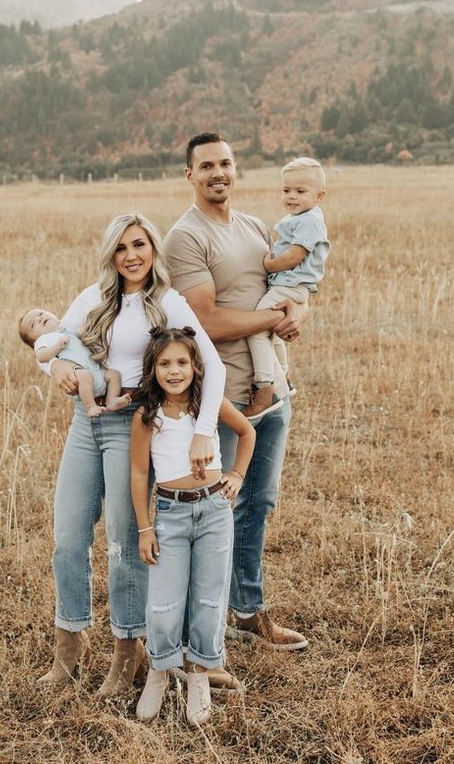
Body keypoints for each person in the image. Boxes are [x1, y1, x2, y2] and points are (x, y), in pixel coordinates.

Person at [33, 213, 226, 695]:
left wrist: (205, 430)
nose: (131, 255)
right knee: (68, 538)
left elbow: (214, 366)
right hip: (87, 423)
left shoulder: (169, 301)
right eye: (121, 248)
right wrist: (55, 368)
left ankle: (127, 654)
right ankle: (68, 650)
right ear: (110, 255)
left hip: (133, 426)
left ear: (153, 249)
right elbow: (52, 343)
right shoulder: (94, 297)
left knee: (123, 544)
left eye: (139, 244)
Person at [163, 132, 310, 651]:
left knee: (258, 503)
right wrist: (273, 316)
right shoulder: (186, 237)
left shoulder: (254, 227)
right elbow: (204, 321)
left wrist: (296, 312)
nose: (218, 173)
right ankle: (196, 632)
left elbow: (292, 287)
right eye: (207, 166)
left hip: (275, 391)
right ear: (190, 175)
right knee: (211, 510)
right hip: (224, 400)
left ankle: (246, 610)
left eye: (225, 163)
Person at [130, 327, 255, 725]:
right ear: (153, 369)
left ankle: (200, 674)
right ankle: (160, 670)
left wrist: (236, 474)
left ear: (196, 366)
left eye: (182, 362)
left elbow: (247, 431)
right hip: (170, 514)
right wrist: (145, 528)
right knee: (164, 604)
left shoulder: (208, 404)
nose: (174, 371)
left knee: (209, 598)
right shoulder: (147, 416)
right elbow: (137, 474)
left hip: (215, 510)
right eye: (164, 363)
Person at [243, 157, 330, 419]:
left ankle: (264, 388)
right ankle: (284, 377)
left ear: (319, 196)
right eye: (286, 190)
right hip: (289, 286)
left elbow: (294, 256)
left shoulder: (310, 220)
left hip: (289, 285)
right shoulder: (301, 217)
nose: (291, 197)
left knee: (256, 330)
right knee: (273, 334)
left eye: (300, 192)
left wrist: (268, 264)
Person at [19, 307, 130, 419]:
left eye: (41, 314)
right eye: (33, 325)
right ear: (34, 341)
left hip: (96, 370)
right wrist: (57, 346)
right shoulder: (44, 339)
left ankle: (111, 400)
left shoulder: (67, 330)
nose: (40, 319)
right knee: (85, 376)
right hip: (79, 373)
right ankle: (90, 406)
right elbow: (41, 356)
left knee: (114, 374)